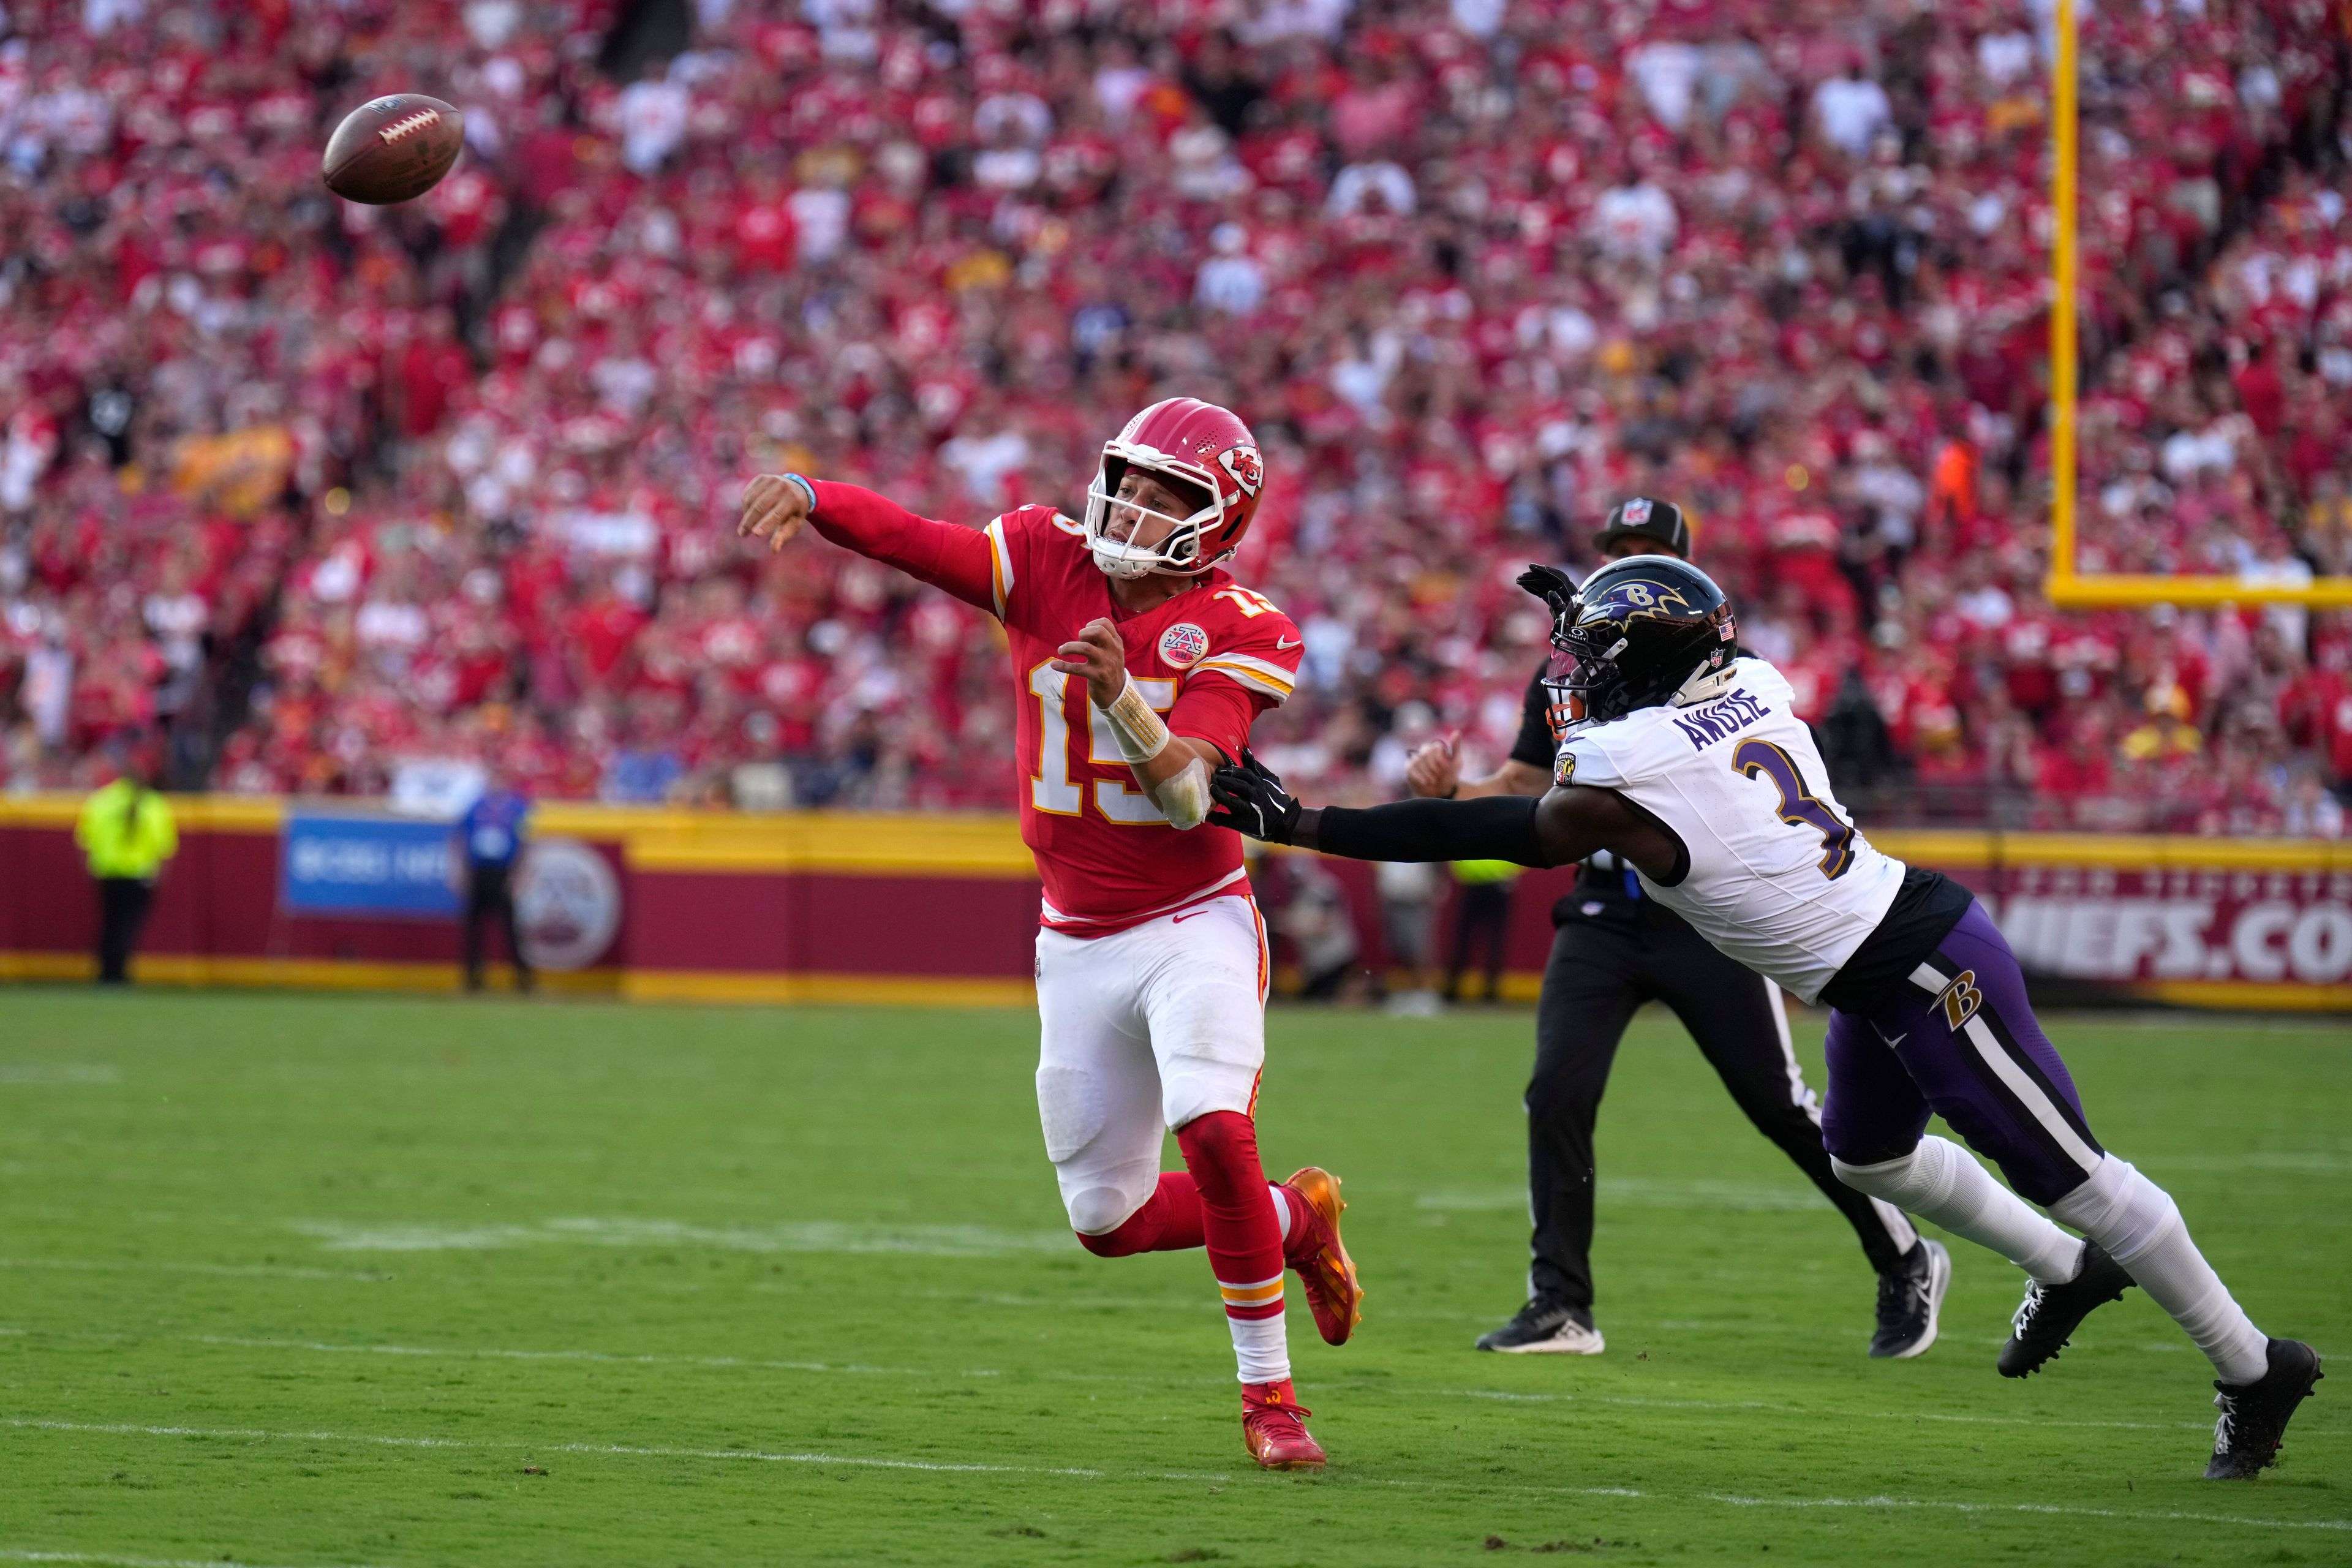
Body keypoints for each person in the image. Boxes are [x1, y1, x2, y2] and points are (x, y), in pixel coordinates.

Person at [1207, 554, 2321, 1480]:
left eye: (1590, 659)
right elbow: (1681, 658)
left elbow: (1510, 828)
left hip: (1923, 965)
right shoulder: (1756, 679)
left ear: (1643, 669)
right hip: (1867, 968)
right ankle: (2067, 1273)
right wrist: (1587, 616)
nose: (1571, 677)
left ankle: (2252, 1363)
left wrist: (1308, 820)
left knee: (2077, 1174)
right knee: (1867, 1156)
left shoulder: (1626, 769)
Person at [739, 398, 1363, 1470]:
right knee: (1107, 1220)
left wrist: (1126, 700)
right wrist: (816, 495)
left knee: (1214, 1127)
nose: (1132, 504)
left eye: (1169, 493)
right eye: (1129, 478)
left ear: (1218, 522)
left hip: (1191, 922)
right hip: (1074, 936)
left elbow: (1184, 798)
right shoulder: (1040, 554)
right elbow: (915, 541)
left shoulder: (1248, 627)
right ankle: (1295, 1223)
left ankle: (1272, 1403)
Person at [1403, 498, 1933, 1359]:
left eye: (1650, 552)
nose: (1632, 567)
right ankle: (1560, 1305)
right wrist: (1449, 793)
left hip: (1708, 919)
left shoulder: (1727, 671)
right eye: (1620, 550)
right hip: (1606, 915)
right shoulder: (1567, 672)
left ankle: (1902, 1252)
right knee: (1558, 1094)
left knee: (1780, 1107)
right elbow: (1524, 785)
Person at [75, 760, 178, 985]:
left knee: (110, 924)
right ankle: (119, 972)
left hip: (107, 873)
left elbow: (84, 840)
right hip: (140, 876)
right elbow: (165, 848)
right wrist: (158, 875)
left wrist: (92, 868)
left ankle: (106, 972)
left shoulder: (101, 801)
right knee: (129, 925)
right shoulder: (154, 805)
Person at [457, 778, 534, 993]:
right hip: (479, 872)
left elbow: (526, 842)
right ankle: (473, 979)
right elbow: (461, 838)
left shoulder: (518, 808)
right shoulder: (475, 806)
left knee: (512, 930)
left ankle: (523, 979)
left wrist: (520, 874)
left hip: (504, 873)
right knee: (474, 929)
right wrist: (460, 871)